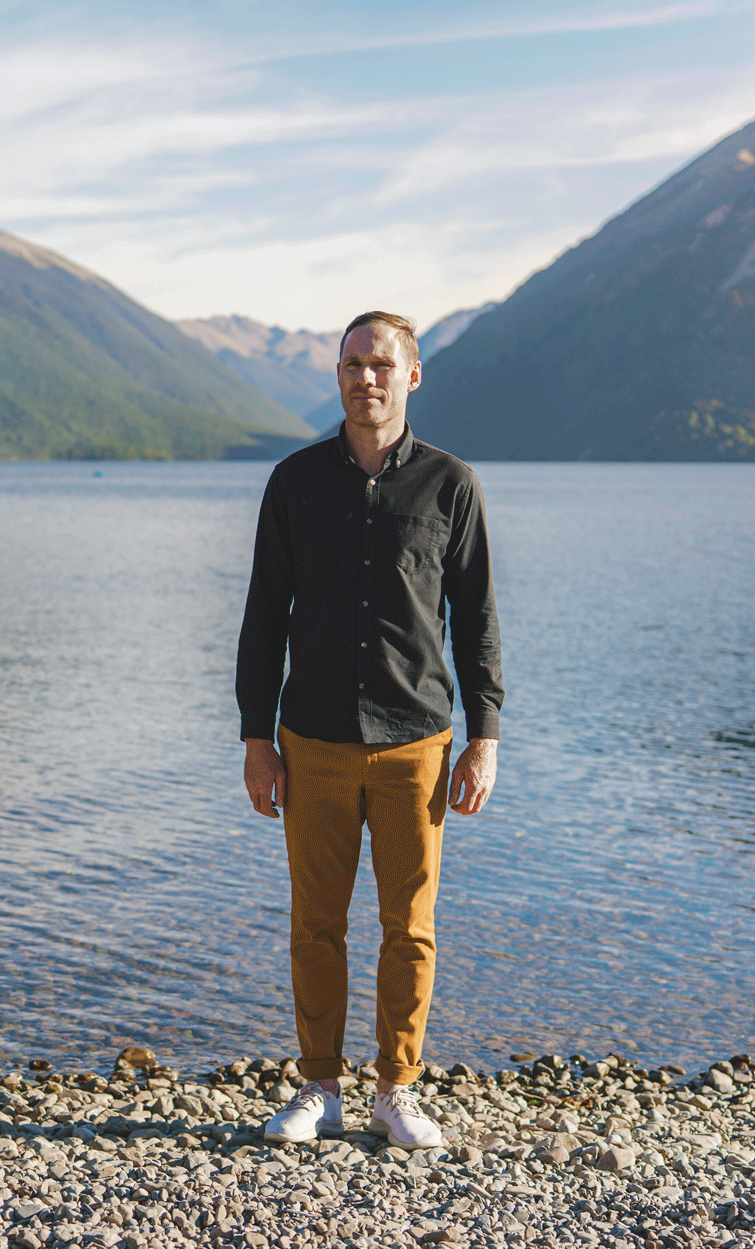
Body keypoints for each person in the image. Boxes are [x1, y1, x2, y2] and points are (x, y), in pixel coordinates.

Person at [236, 311, 503, 1149]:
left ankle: (397, 1089)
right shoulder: (294, 482)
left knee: (408, 926)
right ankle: (319, 1087)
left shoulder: (450, 486)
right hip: (309, 738)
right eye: (351, 364)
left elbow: (477, 618)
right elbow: (261, 618)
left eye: (380, 364)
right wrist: (254, 736)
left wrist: (484, 734)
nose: (364, 378)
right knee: (314, 922)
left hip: (415, 740)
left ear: (411, 376)